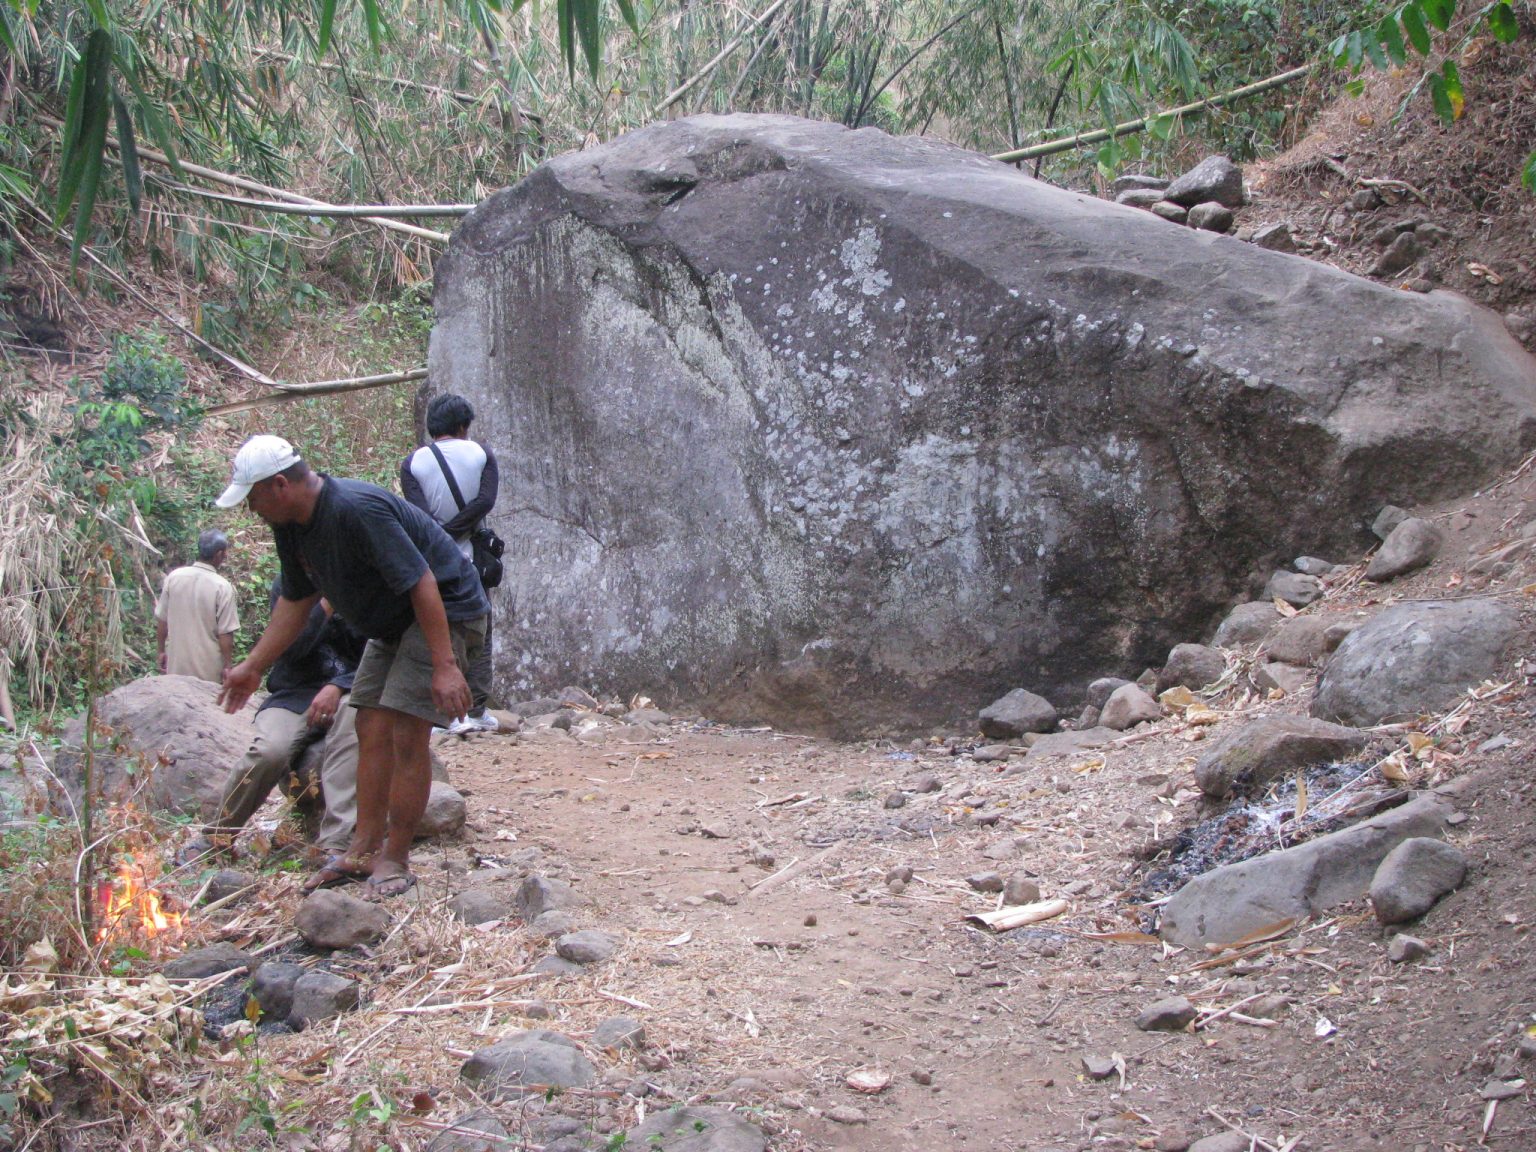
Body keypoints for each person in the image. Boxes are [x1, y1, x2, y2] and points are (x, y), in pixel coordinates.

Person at [214, 435, 488, 897]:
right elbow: (297, 600)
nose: (251, 510)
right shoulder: (292, 525)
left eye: (253, 498)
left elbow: (422, 581)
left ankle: (395, 860)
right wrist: (253, 666)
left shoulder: (354, 509)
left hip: (443, 611)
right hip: (392, 625)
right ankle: (362, 852)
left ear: (280, 485)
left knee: (407, 732)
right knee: (369, 727)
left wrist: (444, 665)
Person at [183, 582, 366, 866]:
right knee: (271, 750)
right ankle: (217, 837)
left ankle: (336, 845)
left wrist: (338, 685)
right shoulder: (291, 582)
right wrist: (326, 605)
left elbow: (380, 651)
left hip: (350, 690)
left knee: (354, 726)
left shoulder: (367, 579)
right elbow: (291, 649)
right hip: (294, 693)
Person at [400, 393, 500, 734]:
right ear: (463, 426)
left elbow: (417, 513)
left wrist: (439, 537)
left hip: (430, 559)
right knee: (481, 628)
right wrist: (457, 533)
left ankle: (441, 715)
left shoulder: (413, 462)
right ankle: (475, 710)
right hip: (473, 555)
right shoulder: (481, 454)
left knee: (436, 626)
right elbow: (485, 500)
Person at [155, 529, 239, 683]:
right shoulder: (222, 587)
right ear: (219, 554)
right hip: (208, 672)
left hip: (176, 666)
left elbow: (162, 620)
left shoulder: (174, 577)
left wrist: (161, 651)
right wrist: (227, 666)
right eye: (225, 553)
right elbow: (225, 634)